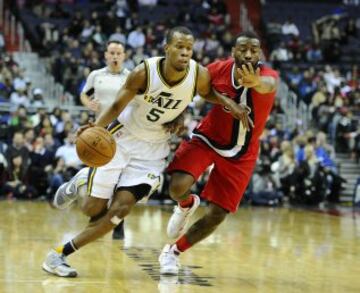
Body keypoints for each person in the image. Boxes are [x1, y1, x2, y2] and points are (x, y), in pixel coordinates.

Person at [42, 26, 251, 278]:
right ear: (167, 49)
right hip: (121, 140)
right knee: (91, 209)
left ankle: (58, 255)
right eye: (179, 47)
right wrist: (96, 129)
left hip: (152, 152)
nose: (185, 53)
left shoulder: (199, 74)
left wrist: (231, 105)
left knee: (118, 212)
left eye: (189, 48)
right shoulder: (144, 73)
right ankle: (82, 180)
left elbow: (208, 94)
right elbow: (119, 104)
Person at [158, 31, 279, 275]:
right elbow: (192, 88)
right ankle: (186, 204)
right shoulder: (217, 69)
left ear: (260, 54)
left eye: (254, 50)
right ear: (233, 52)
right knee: (177, 187)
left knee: (217, 214)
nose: (248, 54)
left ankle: (173, 252)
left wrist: (255, 83)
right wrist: (181, 112)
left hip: (242, 153)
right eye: (243, 48)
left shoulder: (267, 76)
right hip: (208, 138)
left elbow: (269, 85)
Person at [57, 40, 129, 240]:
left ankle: (118, 222)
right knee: (100, 178)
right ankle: (97, 216)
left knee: (120, 179)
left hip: (123, 132)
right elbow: (83, 93)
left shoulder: (131, 77)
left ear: (124, 56)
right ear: (106, 55)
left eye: (118, 53)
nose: (115, 56)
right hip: (99, 131)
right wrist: (88, 102)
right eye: (112, 52)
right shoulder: (95, 75)